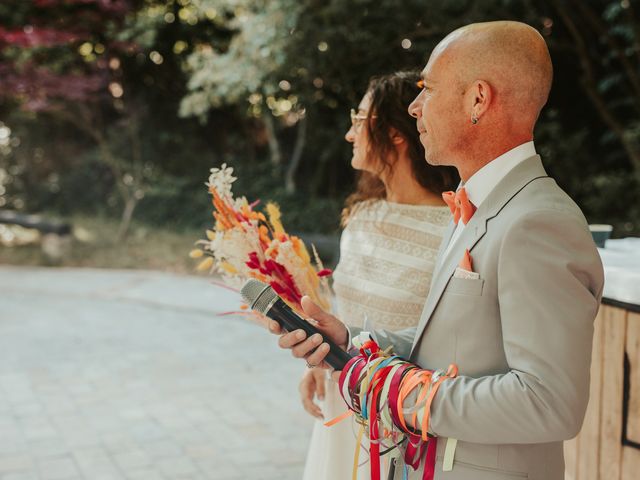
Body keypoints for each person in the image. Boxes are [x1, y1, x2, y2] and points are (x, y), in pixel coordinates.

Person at [271, 21, 605, 480]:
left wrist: (401, 394)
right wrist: (349, 344)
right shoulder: (472, 204)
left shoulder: (537, 221)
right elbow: (447, 348)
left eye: (427, 88)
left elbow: (549, 403)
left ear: (478, 100)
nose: (414, 105)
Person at [300, 72, 458, 480]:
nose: (350, 134)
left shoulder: (454, 228)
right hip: (341, 402)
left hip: (405, 424)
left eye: (359, 119)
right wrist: (318, 363)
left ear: (395, 133)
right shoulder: (361, 215)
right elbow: (345, 313)